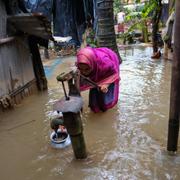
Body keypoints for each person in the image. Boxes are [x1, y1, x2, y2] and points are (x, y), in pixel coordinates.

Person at [76, 47, 120, 113]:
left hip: (108, 68)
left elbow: (114, 74)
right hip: (95, 67)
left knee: (106, 94)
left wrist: (106, 84)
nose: (84, 72)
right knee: (94, 90)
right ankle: (95, 108)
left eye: (87, 69)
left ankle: (106, 107)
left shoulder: (105, 62)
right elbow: (80, 79)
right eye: (81, 69)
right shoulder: (82, 63)